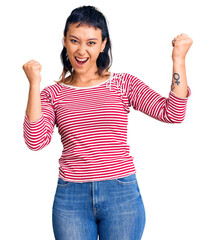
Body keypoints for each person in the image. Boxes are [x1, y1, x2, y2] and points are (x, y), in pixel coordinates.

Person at [22, 5, 193, 240]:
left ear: (103, 45)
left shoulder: (122, 84)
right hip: (71, 197)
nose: (81, 50)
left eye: (91, 42)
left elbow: (172, 113)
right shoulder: (53, 94)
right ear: (64, 40)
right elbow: (35, 141)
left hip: (121, 195)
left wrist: (179, 59)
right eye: (74, 40)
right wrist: (34, 84)